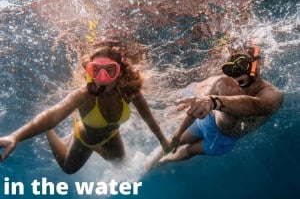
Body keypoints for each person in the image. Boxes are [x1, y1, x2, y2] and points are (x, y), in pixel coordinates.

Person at [0, 39, 171, 174]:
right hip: (86, 139)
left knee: (121, 166)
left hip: (111, 134)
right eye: (96, 70)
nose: (102, 77)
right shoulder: (84, 95)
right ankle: (49, 132)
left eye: (110, 70)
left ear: (120, 71)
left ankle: (98, 147)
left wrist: (163, 141)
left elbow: (148, 118)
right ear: (89, 71)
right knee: (68, 169)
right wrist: (15, 136)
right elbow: (53, 114)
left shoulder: (129, 91)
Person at [158, 45, 284, 165]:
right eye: (231, 69)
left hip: (223, 139)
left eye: (242, 64)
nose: (237, 75)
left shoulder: (273, 95)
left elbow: (255, 106)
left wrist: (213, 101)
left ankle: (165, 161)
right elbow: (198, 104)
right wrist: (176, 135)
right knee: (178, 141)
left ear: (257, 64)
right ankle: (153, 161)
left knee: (190, 150)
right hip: (209, 120)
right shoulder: (224, 83)